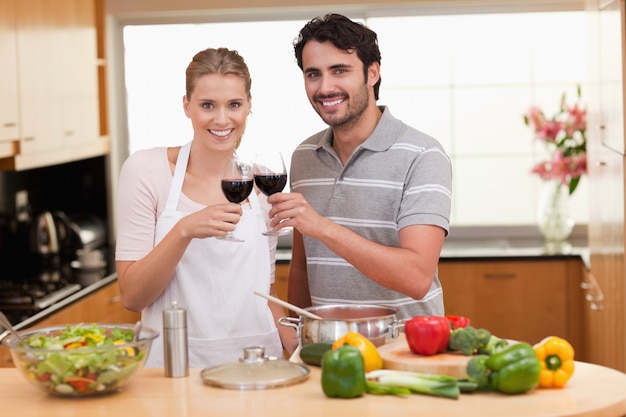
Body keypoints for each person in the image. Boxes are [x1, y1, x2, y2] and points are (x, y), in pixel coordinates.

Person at [115, 47, 296, 368]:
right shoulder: (146, 170)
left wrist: (300, 350)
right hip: (173, 365)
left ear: (249, 106)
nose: (222, 119)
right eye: (207, 105)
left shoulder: (262, 185)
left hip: (257, 364)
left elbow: (264, 295)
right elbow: (132, 297)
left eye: (234, 105)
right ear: (187, 105)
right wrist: (184, 231)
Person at [268, 14, 453, 320]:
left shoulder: (423, 154)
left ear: (372, 73)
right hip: (328, 349)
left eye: (339, 70)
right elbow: (303, 267)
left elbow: (417, 278)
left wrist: (322, 227)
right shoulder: (304, 155)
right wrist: (299, 338)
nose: (325, 87)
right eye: (313, 74)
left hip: (406, 350)